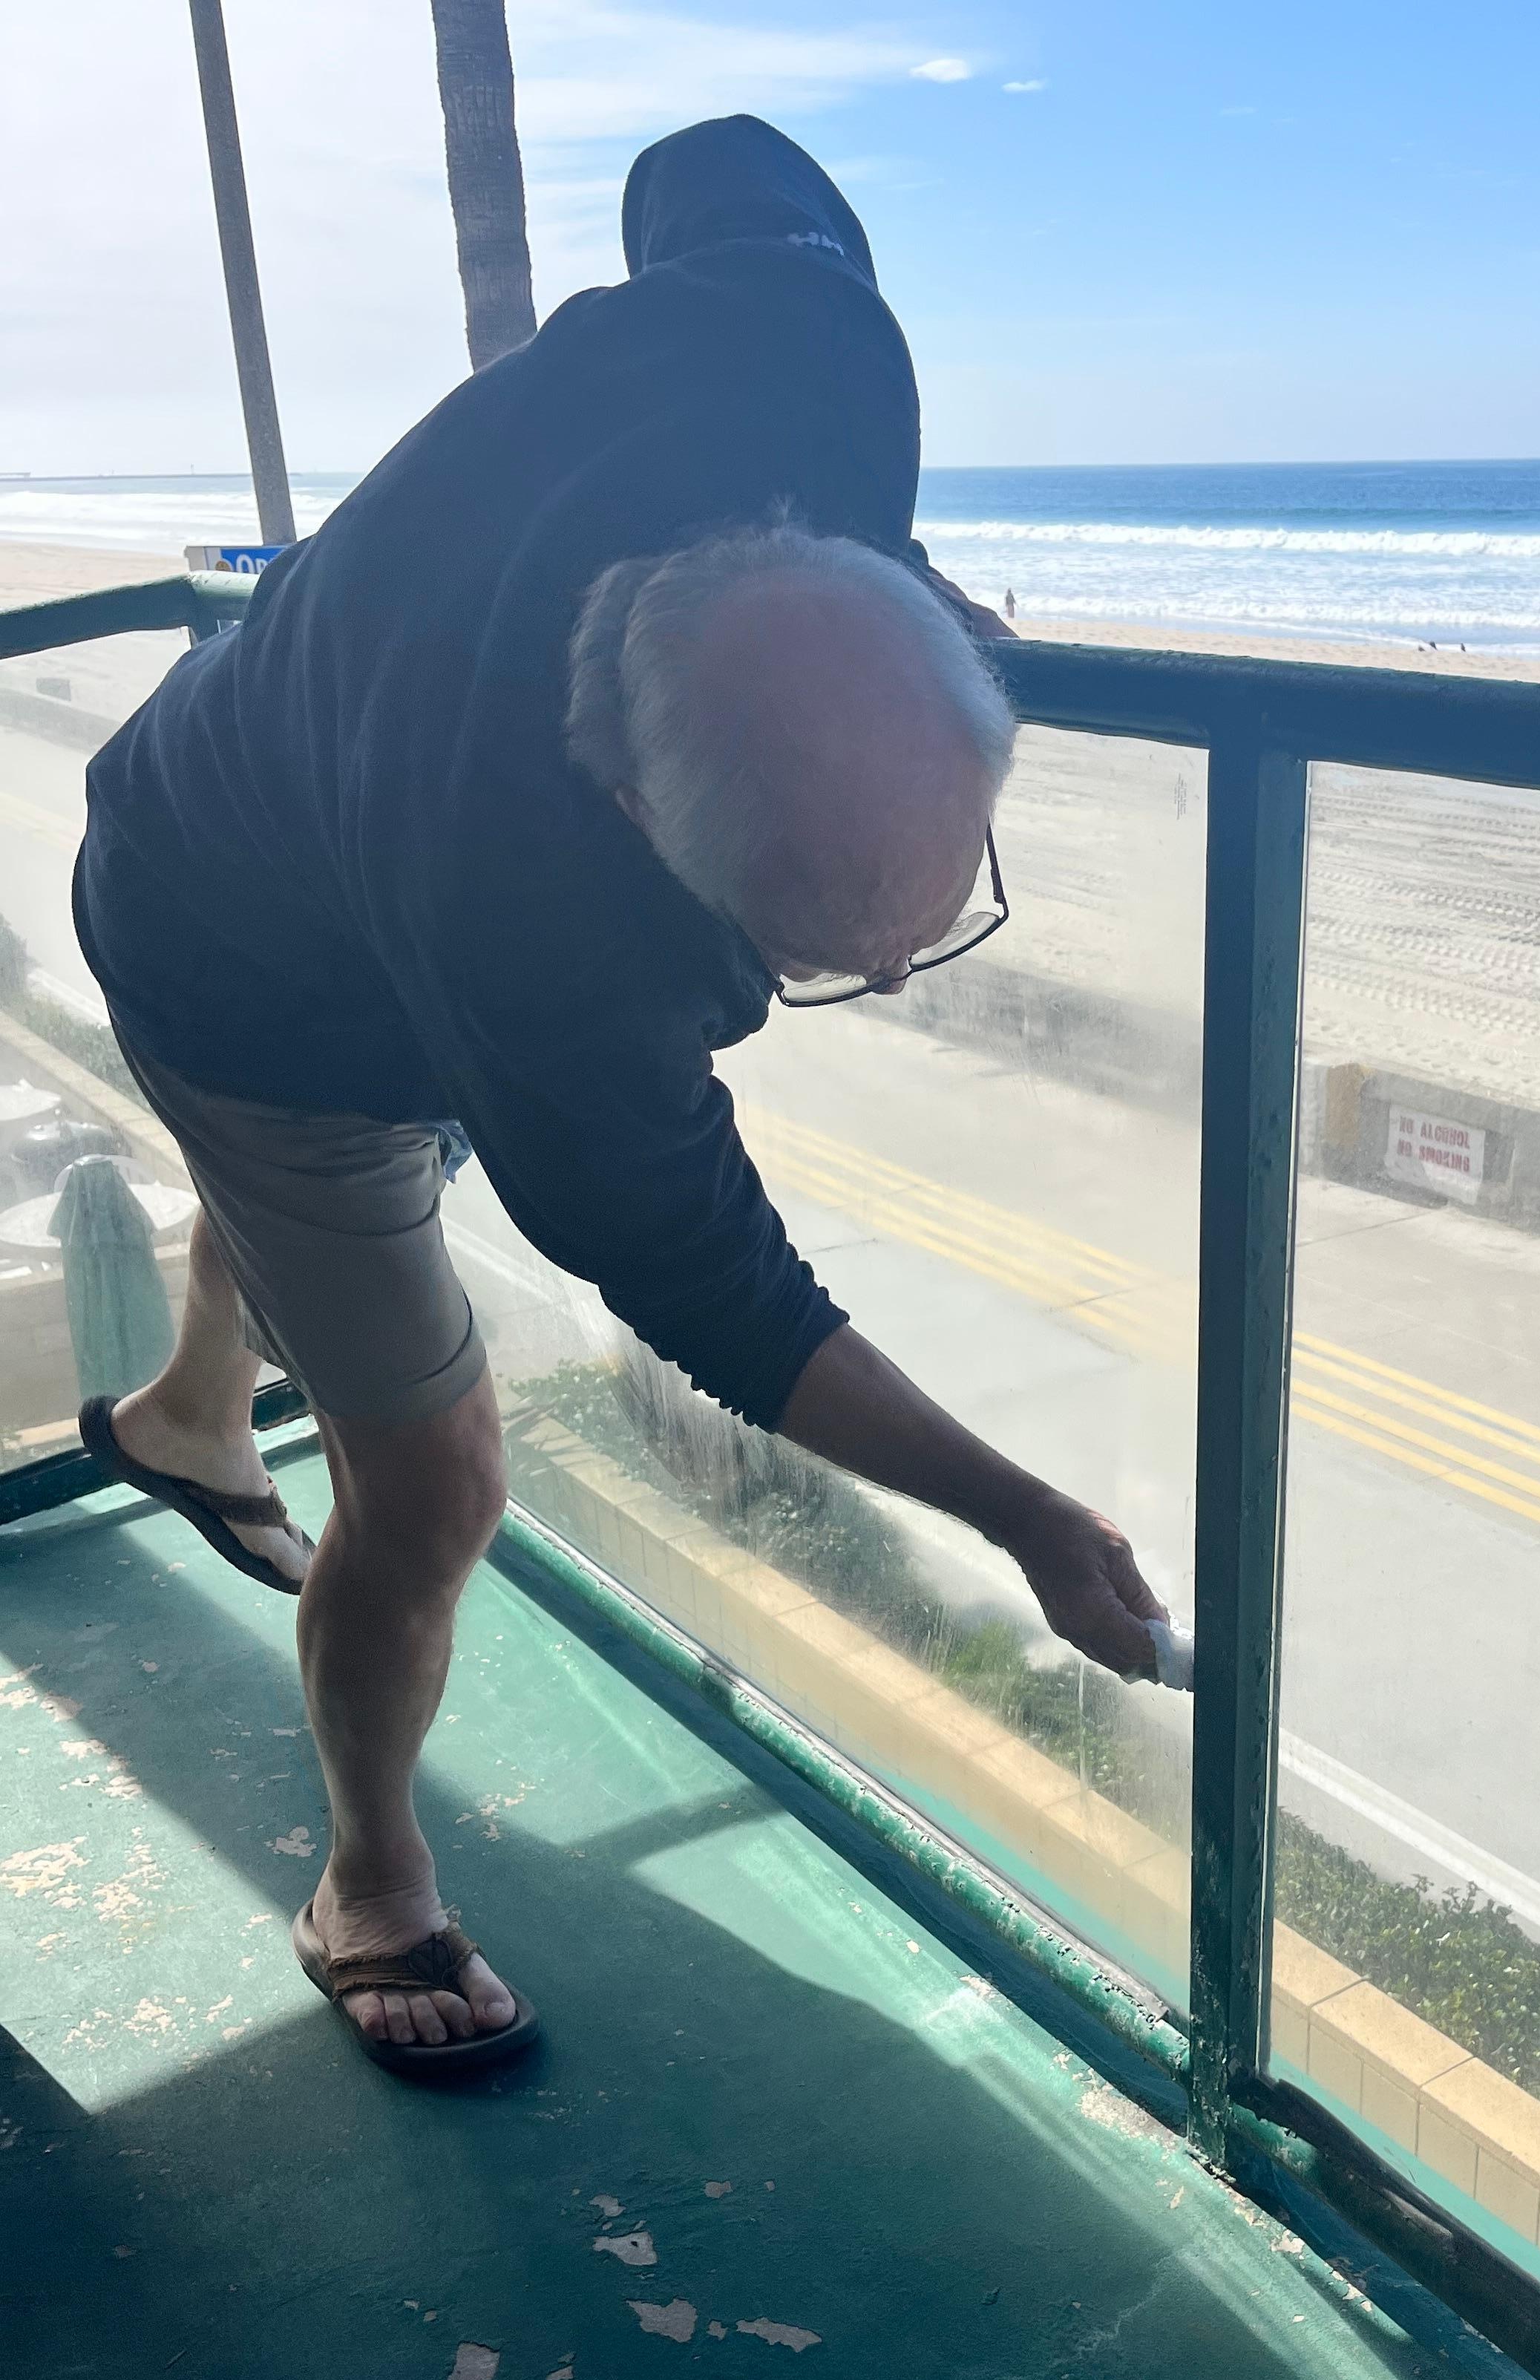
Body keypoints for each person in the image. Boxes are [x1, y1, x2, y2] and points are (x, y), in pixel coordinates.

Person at [70, 117, 1166, 2077]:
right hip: (229, 953)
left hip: (264, 779)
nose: (900, 975)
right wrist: (1018, 1512)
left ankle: (182, 1416)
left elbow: (710, 163)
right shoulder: (541, 965)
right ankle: (367, 1882)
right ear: (637, 817)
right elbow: (724, 1293)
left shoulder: (817, 358)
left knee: (336, 1234)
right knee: (432, 1472)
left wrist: (880, 555)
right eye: (831, 957)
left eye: (938, 909)